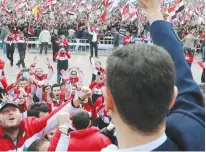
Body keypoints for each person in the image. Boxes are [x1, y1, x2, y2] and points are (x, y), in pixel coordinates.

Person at [101, 0, 205, 151]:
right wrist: (153, 12)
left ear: (107, 99)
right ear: (172, 97)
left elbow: (184, 88)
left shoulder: (193, 128)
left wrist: (153, 12)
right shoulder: (193, 132)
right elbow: (184, 84)